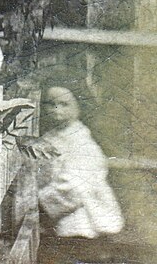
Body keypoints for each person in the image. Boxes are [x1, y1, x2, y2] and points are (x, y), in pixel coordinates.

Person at [36, 85, 124, 264]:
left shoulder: (82, 142)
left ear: (80, 106)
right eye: (50, 104)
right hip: (58, 217)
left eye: (64, 104)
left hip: (84, 221)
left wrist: (40, 202)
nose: (56, 110)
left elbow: (74, 186)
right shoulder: (50, 137)